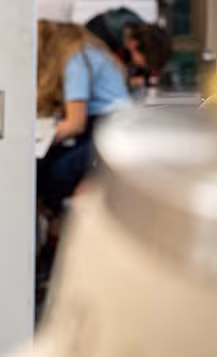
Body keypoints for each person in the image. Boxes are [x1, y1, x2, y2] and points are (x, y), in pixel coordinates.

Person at [35, 10, 130, 316]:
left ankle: (51, 245)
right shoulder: (89, 51)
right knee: (47, 169)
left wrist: (39, 135)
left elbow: (74, 124)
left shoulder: (75, 59)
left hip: (106, 138)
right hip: (115, 134)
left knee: (43, 176)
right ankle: (53, 238)